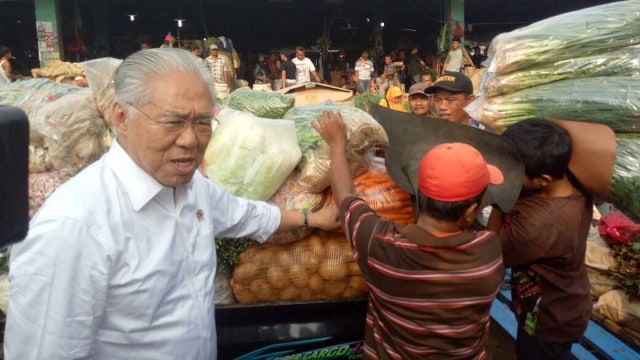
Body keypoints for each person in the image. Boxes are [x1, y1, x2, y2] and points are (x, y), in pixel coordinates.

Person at [4, 48, 339, 360]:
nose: (191, 140)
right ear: (122, 117)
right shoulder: (72, 228)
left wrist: (312, 218)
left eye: (202, 122)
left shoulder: (191, 189)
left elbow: (243, 214)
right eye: (173, 122)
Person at [313, 111, 506, 358]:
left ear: (417, 193)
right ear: (471, 212)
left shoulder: (378, 243)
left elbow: (344, 198)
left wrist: (337, 143)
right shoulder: (488, 253)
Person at [488, 119, 593, 360]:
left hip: (549, 321)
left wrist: (499, 199)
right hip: (565, 303)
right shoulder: (572, 177)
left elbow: (492, 250)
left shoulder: (538, 228)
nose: (505, 174)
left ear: (544, 179)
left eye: (514, 173)